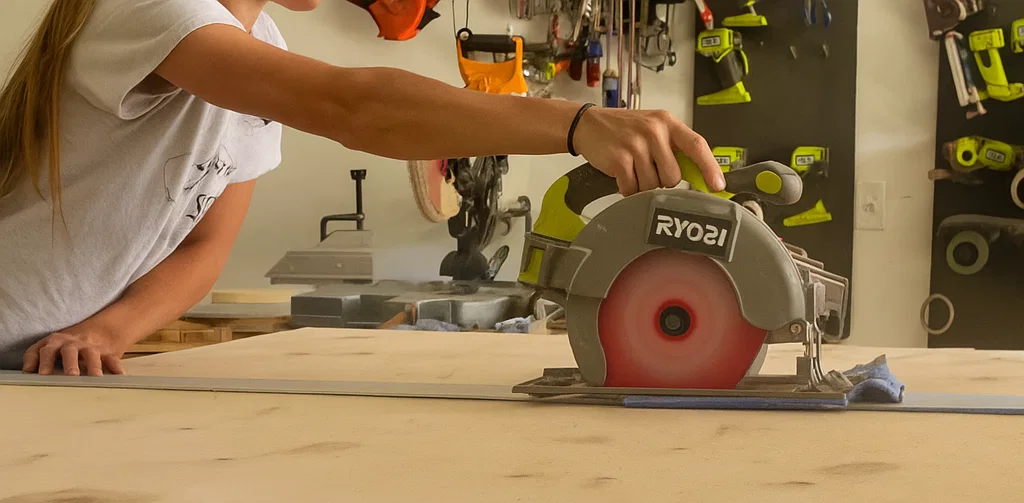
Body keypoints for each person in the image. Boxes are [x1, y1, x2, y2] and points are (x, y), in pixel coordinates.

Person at [0, 0, 724, 376]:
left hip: (37, 364)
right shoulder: (152, 11)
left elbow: (205, 247)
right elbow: (355, 108)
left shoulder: (266, 52)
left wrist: (107, 330)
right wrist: (578, 123)